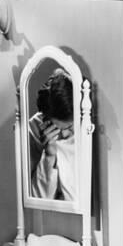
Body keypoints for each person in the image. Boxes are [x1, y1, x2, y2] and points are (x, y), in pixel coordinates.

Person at [28, 68, 76, 201]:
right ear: (45, 119)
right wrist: (49, 156)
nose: (65, 134)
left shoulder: (87, 130)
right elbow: (38, 200)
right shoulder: (33, 128)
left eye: (70, 127)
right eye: (57, 128)